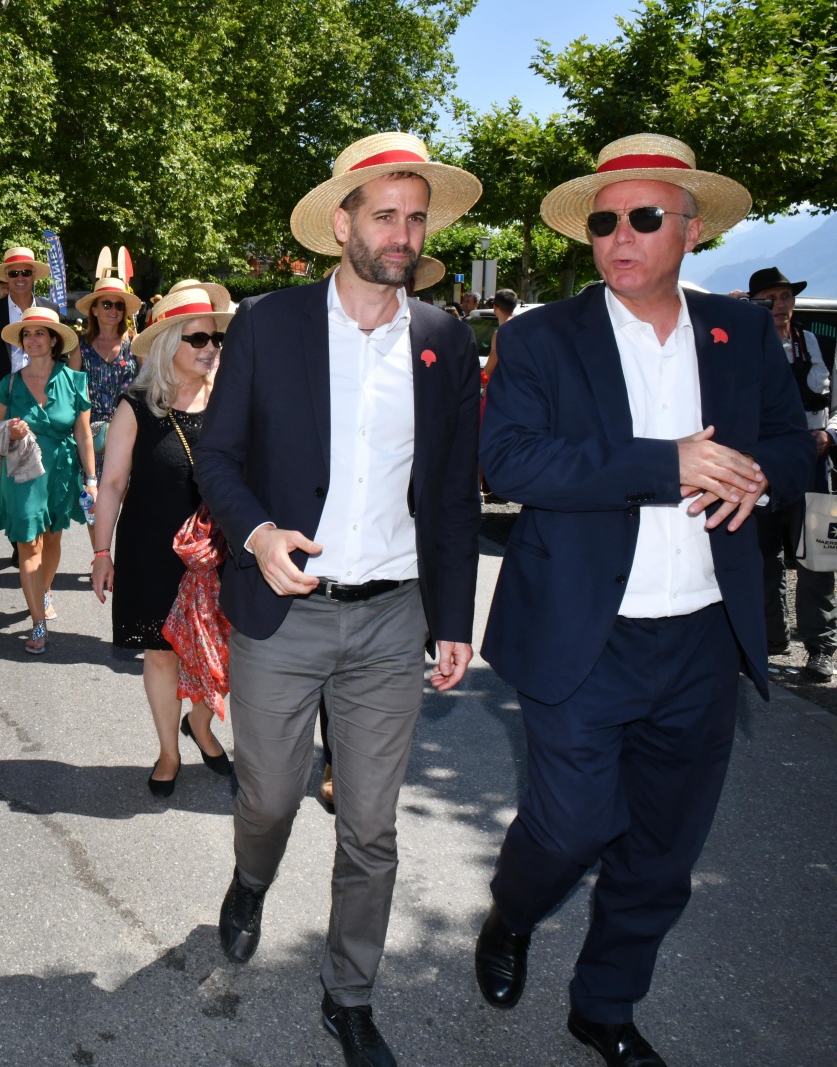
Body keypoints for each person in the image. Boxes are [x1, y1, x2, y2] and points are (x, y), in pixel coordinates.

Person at [475, 134, 813, 1067]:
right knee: (574, 823)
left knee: (664, 848)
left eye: (645, 217)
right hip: (583, 632)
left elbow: (791, 446)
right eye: (605, 221)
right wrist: (666, 464)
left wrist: (755, 477)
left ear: (691, 226)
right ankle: (512, 912)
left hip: (705, 639)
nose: (620, 237)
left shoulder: (741, 335)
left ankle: (605, 1005)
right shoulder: (541, 336)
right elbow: (508, 461)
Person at [195, 131, 483, 1067]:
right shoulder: (270, 326)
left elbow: (450, 492)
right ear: (341, 222)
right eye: (385, 213)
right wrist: (258, 534)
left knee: (370, 824)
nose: (402, 232)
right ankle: (251, 878)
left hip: (393, 612)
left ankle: (350, 993)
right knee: (270, 794)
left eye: (416, 216)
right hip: (285, 607)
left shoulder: (443, 340)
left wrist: (453, 618)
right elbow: (221, 460)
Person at [90, 285, 231, 795]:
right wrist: (102, 553)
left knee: (217, 647)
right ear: (170, 342)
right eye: (197, 338)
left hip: (218, 551)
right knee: (162, 653)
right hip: (152, 550)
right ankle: (169, 750)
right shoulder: (136, 405)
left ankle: (201, 723)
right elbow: (112, 484)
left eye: (214, 338)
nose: (210, 348)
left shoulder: (230, 400)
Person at [740, 266, 837, 680]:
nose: (780, 306)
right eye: (770, 299)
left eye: (786, 297)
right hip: (762, 463)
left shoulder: (823, 345)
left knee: (819, 553)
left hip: (816, 464)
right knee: (761, 554)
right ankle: (768, 640)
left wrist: (830, 436)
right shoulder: (740, 348)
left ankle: (821, 647)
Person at [0, 305, 96, 653]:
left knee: (51, 540)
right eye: (27, 334)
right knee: (28, 546)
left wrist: (91, 479)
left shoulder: (74, 381)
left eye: (40, 333)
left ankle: (42, 590)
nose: (33, 340)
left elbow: (84, 435)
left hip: (61, 473)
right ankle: (38, 623)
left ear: (53, 341)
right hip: (22, 474)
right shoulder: (10, 383)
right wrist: (11, 432)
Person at [0, 246, 62, 433]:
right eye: (14, 273)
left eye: (25, 272)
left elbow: (60, 356)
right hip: (4, 402)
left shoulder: (51, 310)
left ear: (33, 275)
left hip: (46, 401)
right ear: (6, 277)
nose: (20, 278)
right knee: (6, 461)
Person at [72, 275, 141, 459]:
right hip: (89, 433)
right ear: (94, 310)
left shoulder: (135, 344)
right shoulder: (80, 346)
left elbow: (147, 385)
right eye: (107, 304)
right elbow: (72, 392)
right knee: (91, 485)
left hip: (128, 429)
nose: (114, 310)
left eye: (119, 306)